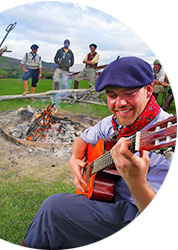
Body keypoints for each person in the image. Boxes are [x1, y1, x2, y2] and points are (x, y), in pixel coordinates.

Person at [20, 56, 173, 249]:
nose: (120, 103)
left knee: (53, 208)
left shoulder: (165, 134)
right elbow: (83, 139)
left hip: (134, 216)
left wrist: (137, 182)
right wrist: (75, 159)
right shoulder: (112, 123)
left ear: (149, 90)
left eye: (129, 93)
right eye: (112, 95)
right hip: (105, 198)